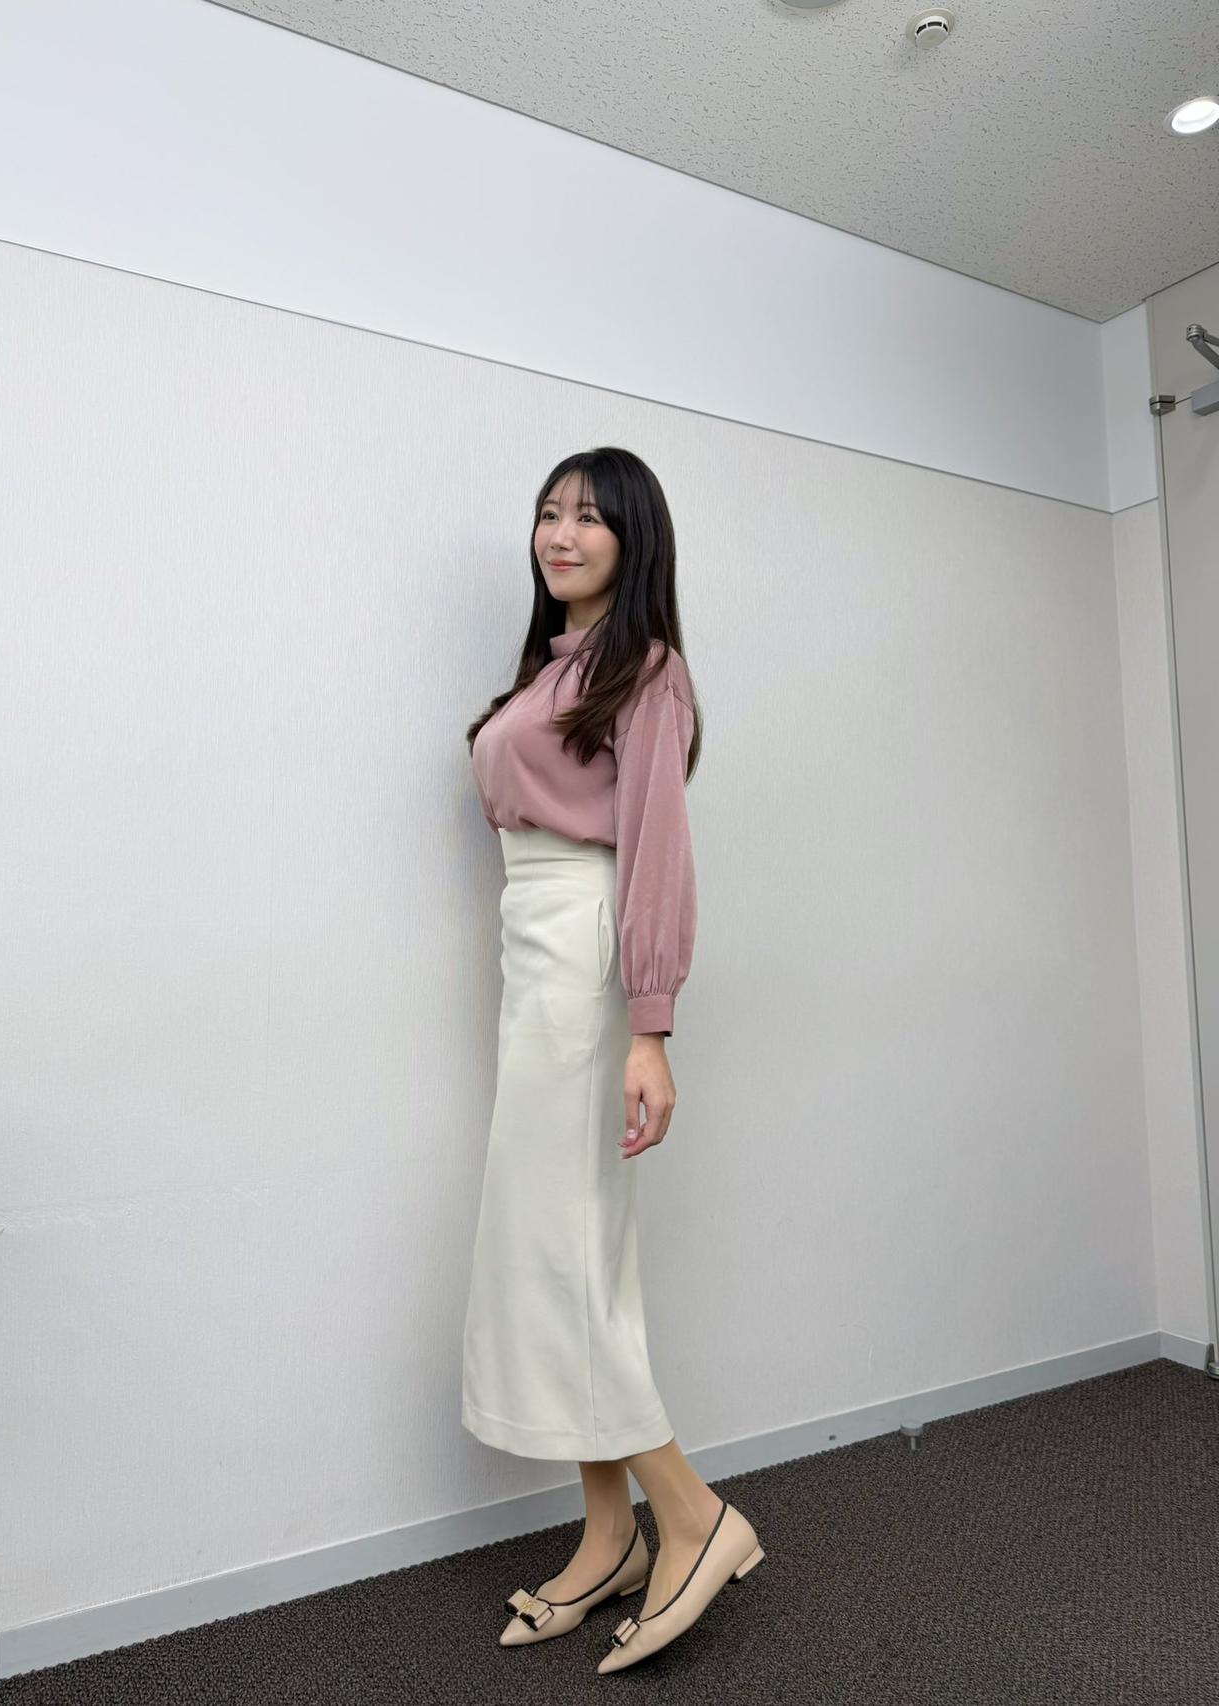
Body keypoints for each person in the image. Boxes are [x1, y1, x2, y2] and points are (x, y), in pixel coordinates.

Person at [461, 447, 763, 1674]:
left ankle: (692, 1514)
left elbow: (654, 851)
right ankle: (608, 1533)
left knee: (563, 1252)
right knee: (556, 1248)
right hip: (537, 958)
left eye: (588, 515)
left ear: (634, 537)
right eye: (547, 512)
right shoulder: (556, 667)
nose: (560, 532)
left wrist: (649, 1025)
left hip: (585, 964)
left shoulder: (646, 669)